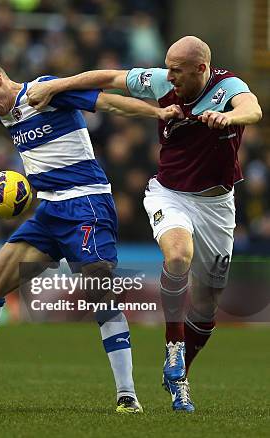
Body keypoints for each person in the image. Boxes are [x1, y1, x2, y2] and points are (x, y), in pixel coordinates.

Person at [0, 59, 181, 413]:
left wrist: (160, 113)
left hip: (86, 204)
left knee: (98, 293)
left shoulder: (44, 92)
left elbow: (106, 102)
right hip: (48, 213)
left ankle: (128, 395)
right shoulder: (0, 110)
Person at [26, 35, 263, 412]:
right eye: (166, 67)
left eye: (177, 70)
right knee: (178, 257)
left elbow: (252, 109)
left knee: (207, 305)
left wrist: (229, 116)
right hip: (169, 195)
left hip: (217, 205)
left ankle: (180, 375)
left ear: (201, 69)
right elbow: (107, 78)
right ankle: (173, 344)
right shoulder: (161, 81)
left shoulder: (228, 87)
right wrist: (58, 84)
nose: (168, 77)